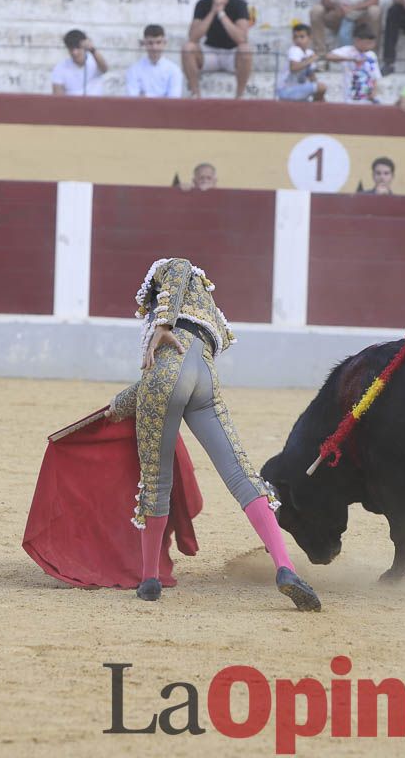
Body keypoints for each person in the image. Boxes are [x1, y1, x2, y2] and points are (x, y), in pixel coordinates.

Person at [109, 258, 321, 611]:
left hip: (165, 382)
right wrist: (117, 404)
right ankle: (285, 568)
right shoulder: (204, 310)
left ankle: (150, 580)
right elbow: (162, 376)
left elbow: (161, 377)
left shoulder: (169, 270)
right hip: (204, 381)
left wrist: (162, 323)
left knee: (156, 481)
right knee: (242, 474)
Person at [182, 0, 254, 99]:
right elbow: (193, 37)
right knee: (188, 48)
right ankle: (195, 95)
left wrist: (221, 14)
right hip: (210, 53)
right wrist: (213, 11)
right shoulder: (202, 4)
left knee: (245, 49)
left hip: (232, 54)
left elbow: (242, 38)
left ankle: (239, 97)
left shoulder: (239, 4)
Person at [323, 23, 381, 104]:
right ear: (357, 40)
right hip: (351, 98)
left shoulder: (372, 55)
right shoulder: (347, 51)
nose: (370, 45)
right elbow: (329, 56)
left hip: (368, 98)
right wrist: (351, 59)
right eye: (367, 43)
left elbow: (375, 76)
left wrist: (374, 92)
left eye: (372, 43)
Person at [125, 24, 182, 99]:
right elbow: (133, 99)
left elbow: (174, 100)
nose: (154, 47)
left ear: (164, 43)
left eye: (158, 42)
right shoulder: (134, 70)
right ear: (144, 43)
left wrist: (144, 97)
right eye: (150, 43)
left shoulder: (174, 70)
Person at [277, 24, 327, 102]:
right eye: (295, 37)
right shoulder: (294, 50)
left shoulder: (309, 53)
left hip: (298, 89)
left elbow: (311, 75)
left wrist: (319, 94)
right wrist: (309, 60)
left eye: (302, 37)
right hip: (286, 90)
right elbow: (293, 68)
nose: (298, 40)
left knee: (320, 91)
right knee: (321, 87)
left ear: (310, 38)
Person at [51, 29, 108, 96]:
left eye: (78, 47)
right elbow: (58, 96)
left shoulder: (95, 61)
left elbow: (105, 68)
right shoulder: (60, 68)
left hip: (95, 104)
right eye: (71, 49)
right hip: (71, 105)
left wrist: (92, 50)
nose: (75, 52)